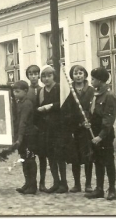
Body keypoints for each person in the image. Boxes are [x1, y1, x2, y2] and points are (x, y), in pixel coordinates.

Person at [84, 67, 116, 201]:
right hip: (94, 132)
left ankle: (112, 189)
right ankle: (99, 189)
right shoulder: (96, 94)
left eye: (93, 79)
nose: (91, 81)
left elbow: (109, 120)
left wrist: (101, 136)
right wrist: (88, 123)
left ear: (99, 80)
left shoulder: (109, 96)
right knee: (97, 161)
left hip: (105, 135)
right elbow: (93, 113)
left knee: (108, 161)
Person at [35, 65, 70, 194]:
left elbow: (65, 104)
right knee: (50, 156)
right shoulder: (41, 91)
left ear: (53, 76)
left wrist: (50, 106)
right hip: (46, 128)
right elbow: (39, 107)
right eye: (43, 76)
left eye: (49, 76)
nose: (46, 79)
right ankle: (56, 182)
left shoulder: (60, 88)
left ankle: (64, 183)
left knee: (60, 155)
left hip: (59, 127)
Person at [63, 65, 95, 193]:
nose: (78, 76)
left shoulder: (91, 90)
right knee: (75, 157)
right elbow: (67, 109)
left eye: (80, 73)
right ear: (72, 76)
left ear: (85, 75)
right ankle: (77, 184)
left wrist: (89, 121)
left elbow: (94, 109)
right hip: (75, 128)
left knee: (88, 157)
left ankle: (88, 184)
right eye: (75, 73)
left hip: (88, 128)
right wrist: (78, 122)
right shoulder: (69, 91)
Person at [12, 80, 38, 195]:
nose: (15, 93)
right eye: (14, 91)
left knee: (30, 160)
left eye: (17, 91)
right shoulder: (19, 102)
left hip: (28, 137)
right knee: (24, 159)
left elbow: (22, 122)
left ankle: (33, 185)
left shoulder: (27, 103)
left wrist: (19, 138)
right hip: (22, 136)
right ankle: (27, 183)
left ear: (25, 91)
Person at [25, 64, 47, 192]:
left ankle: (42, 182)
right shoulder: (25, 91)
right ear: (28, 76)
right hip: (30, 127)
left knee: (42, 156)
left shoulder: (43, 90)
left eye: (35, 74)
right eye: (31, 74)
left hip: (41, 127)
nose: (33, 77)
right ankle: (29, 182)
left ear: (39, 75)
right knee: (29, 156)